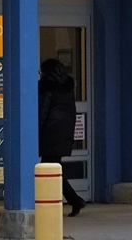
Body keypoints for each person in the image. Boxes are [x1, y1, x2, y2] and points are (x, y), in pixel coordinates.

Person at [37, 58, 86, 216]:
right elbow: (72, 111)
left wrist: (35, 130)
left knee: (50, 169)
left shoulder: (47, 87)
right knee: (54, 168)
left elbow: (43, 111)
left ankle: (73, 200)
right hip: (64, 131)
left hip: (50, 132)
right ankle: (71, 200)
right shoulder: (67, 87)